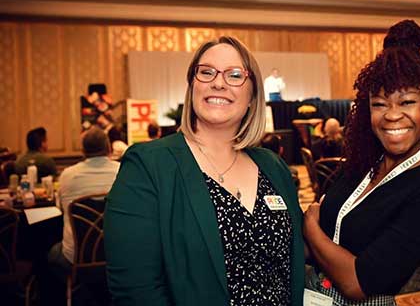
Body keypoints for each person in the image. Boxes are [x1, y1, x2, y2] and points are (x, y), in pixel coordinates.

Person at [105, 36, 304, 306]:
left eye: (235, 75)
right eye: (206, 72)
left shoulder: (273, 166)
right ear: (192, 87)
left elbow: (294, 262)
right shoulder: (148, 165)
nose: (218, 82)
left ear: (252, 97)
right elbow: (136, 290)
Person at [303, 20, 420, 304]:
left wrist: (310, 227)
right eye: (380, 104)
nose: (392, 115)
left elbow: (357, 282)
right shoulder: (361, 164)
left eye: (407, 102)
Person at [40, 127, 119, 304]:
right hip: (117, 255)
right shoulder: (123, 172)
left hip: (76, 259)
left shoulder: (68, 176)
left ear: (83, 151)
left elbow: (60, 209)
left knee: (52, 253)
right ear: (108, 147)